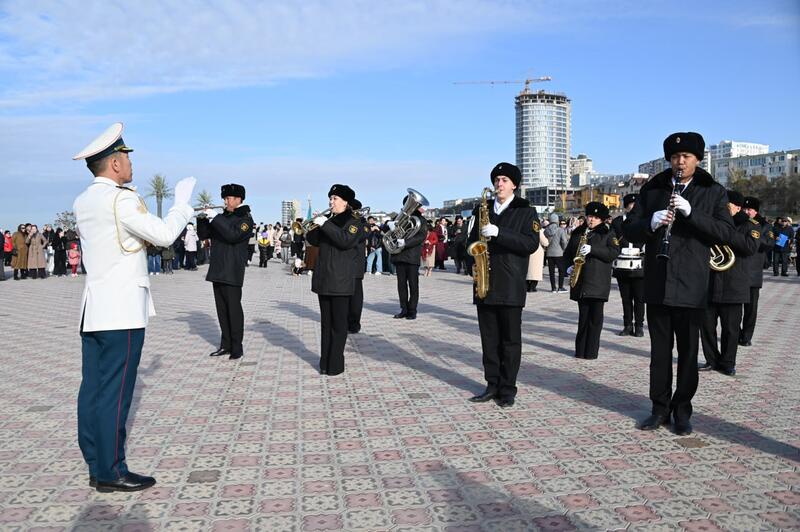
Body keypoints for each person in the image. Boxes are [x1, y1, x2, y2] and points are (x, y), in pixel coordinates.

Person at [72, 122, 196, 492]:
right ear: (113, 164)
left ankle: (96, 463)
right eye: (125, 158)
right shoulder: (120, 199)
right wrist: (182, 207)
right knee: (116, 391)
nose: (130, 164)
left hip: (94, 308)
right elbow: (162, 234)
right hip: (122, 310)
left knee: (93, 389)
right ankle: (112, 471)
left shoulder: (84, 200)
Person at [623, 131, 733, 436]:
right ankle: (659, 408)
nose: (679, 162)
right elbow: (629, 230)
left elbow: (725, 233)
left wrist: (691, 213)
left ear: (698, 160)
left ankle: (682, 410)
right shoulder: (654, 189)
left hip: (691, 283)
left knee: (687, 353)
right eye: (674, 157)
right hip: (658, 281)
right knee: (659, 354)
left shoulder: (713, 191)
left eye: (685, 157)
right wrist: (649, 223)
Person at [468, 162, 539, 408]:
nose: (499, 184)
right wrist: (472, 261)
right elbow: (470, 242)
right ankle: (491, 384)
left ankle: (508, 389)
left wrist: (499, 232)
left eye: (505, 180)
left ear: (514, 185)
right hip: (484, 284)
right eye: (497, 180)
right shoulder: (482, 209)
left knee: (510, 341)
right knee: (488, 339)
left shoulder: (526, 211)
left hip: (510, 284)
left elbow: (530, 244)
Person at [699, 190, 760, 376]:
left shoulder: (750, 226)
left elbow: (750, 247)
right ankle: (711, 360)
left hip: (734, 286)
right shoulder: (714, 222)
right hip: (709, 284)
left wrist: (725, 234)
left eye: (726, 205)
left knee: (731, 329)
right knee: (707, 328)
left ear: (737, 207)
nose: (723, 208)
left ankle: (727, 362)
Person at [306, 184, 361, 375]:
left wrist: (326, 224)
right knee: (325, 324)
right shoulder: (329, 220)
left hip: (341, 280)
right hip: (324, 278)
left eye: (335, 199)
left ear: (346, 202)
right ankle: (324, 363)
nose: (331, 202)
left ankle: (336, 365)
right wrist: (317, 224)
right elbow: (312, 240)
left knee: (338, 325)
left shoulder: (354, 222)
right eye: (330, 198)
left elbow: (345, 240)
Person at [197, 183, 253, 360]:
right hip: (218, 269)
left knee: (233, 310)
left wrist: (215, 218)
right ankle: (225, 344)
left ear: (239, 199)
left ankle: (237, 346)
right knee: (221, 310)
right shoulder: (221, 217)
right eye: (225, 198)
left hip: (232, 271)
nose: (225, 201)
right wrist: (203, 219)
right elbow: (203, 235)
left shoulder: (245, 219)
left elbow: (232, 235)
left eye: (229, 198)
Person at [564, 202, 620, 359]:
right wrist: (568, 267)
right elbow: (568, 253)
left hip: (598, 282)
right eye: (590, 216)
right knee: (583, 318)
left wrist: (593, 249)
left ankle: (591, 352)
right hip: (581, 282)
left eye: (596, 217)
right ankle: (580, 350)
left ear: (602, 219)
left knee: (595, 319)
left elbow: (613, 252)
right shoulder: (578, 232)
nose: (592, 220)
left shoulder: (608, 233)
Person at [611, 194, 646, 337]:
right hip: (622, 264)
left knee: (639, 298)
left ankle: (639, 326)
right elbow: (613, 238)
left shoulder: (645, 221)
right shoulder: (618, 221)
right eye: (630, 204)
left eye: (635, 204)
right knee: (626, 298)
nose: (633, 207)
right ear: (626, 206)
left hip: (639, 263)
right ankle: (627, 325)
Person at [739, 197, 772, 347]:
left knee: (751, 309)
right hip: (738, 271)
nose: (746, 212)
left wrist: (754, 238)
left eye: (749, 210)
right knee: (735, 308)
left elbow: (770, 243)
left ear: (756, 211)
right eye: (744, 209)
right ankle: (737, 333)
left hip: (754, 273)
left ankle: (746, 336)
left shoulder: (764, 225)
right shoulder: (738, 221)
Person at [390, 197, 428, 319]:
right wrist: (391, 228)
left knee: (413, 285)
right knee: (401, 285)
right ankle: (404, 309)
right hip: (399, 255)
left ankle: (412, 310)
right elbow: (389, 234)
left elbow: (421, 237)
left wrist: (405, 242)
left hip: (412, 256)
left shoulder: (421, 220)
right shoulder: (398, 218)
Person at [347, 198, 369, 334]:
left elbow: (363, 234)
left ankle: (354, 323)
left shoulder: (362, 222)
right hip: (342, 265)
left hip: (355, 265)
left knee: (355, 296)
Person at [543, 214, 568, 292]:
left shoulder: (546, 230)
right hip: (559, 253)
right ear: (557, 220)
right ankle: (560, 287)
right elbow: (564, 241)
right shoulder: (560, 230)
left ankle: (553, 288)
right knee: (561, 270)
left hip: (549, 253)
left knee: (551, 271)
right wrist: (564, 249)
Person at [526, 222, 548, 292]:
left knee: (528, 270)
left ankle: (527, 286)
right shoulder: (537, 228)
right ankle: (532, 287)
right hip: (536, 252)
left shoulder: (525, 227)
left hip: (527, 250)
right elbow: (544, 242)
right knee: (535, 271)